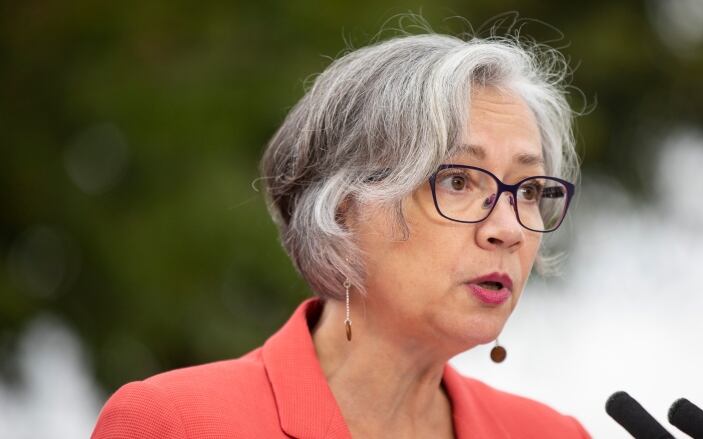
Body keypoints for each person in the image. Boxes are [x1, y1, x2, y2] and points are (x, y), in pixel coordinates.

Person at [91, 20, 589, 439]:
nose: (508, 229)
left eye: (527, 190)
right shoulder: (175, 423)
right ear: (343, 208)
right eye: (457, 180)